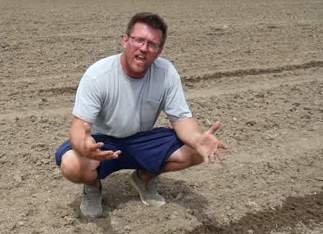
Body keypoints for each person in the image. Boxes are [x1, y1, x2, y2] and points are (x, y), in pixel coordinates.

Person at [55, 12, 228, 217]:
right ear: (125, 40)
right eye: (139, 40)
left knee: (196, 150)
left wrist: (199, 139)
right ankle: (92, 188)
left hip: (141, 140)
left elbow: (182, 121)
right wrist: (85, 146)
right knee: (72, 164)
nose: (144, 48)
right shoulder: (98, 76)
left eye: (152, 44)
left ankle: (143, 179)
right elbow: (79, 127)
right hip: (103, 143)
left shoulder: (166, 73)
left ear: (160, 51)